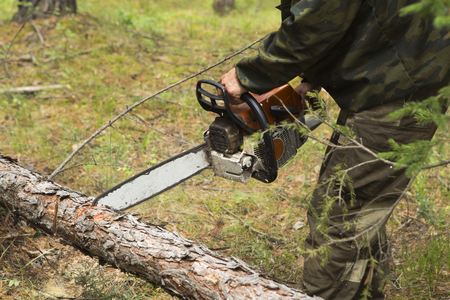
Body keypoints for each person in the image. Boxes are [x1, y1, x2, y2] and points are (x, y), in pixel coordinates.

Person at [219, 0, 450, 299]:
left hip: (401, 82)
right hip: (393, 71)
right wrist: (312, 76)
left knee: (341, 218)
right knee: (361, 208)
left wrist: (248, 75)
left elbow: (317, 18)